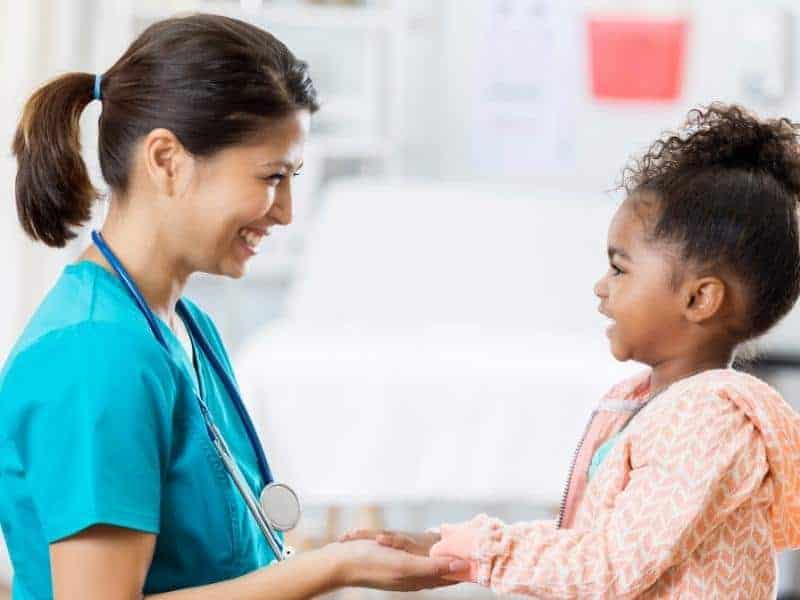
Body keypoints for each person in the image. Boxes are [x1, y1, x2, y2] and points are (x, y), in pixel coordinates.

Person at [0, 13, 465, 599]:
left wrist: (335, 556)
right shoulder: (94, 354)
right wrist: (328, 571)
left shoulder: (186, 328)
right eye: (271, 176)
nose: (286, 210)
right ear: (167, 161)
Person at [343, 104, 800, 598]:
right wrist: (445, 546)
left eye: (620, 269)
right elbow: (587, 541)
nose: (602, 288)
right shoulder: (649, 403)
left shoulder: (708, 420)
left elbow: (610, 568)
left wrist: (479, 555)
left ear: (699, 298)